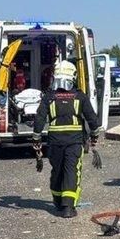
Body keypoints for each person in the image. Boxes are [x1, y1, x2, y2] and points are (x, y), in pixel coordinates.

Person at [33, 60, 99, 217]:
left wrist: (36, 138)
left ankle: (57, 201)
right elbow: (91, 118)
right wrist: (94, 134)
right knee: (71, 171)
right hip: (74, 141)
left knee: (57, 170)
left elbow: (40, 118)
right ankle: (68, 207)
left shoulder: (49, 97)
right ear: (73, 76)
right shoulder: (80, 96)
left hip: (55, 142)